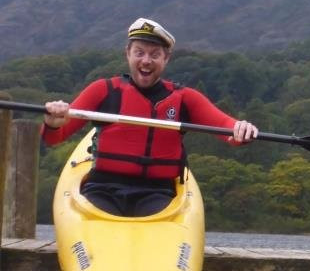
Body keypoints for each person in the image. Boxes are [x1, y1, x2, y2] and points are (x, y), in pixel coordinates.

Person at [42, 17, 259, 217]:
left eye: (155, 54)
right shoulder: (103, 90)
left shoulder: (185, 98)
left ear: (166, 59)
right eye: (139, 52)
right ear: (128, 53)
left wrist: (241, 129)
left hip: (157, 194)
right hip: (103, 189)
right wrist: (52, 123)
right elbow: (54, 138)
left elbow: (227, 128)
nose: (146, 60)